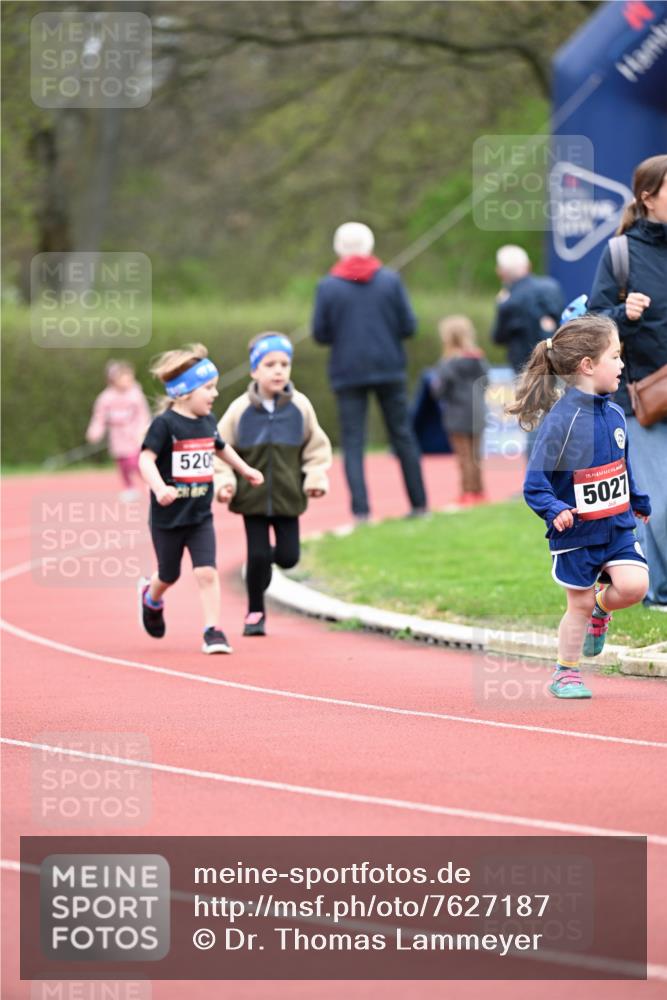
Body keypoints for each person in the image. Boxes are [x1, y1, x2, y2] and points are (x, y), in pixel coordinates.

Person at [507, 315, 651, 699]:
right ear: (588, 365)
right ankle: (565, 672)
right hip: (577, 534)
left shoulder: (615, 413)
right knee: (579, 604)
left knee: (635, 586)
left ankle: (603, 611)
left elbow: (622, 465)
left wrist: (637, 499)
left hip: (616, 526)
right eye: (615, 356)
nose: (622, 364)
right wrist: (554, 509)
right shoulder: (560, 422)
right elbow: (534, 484)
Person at [138, 343, 263, 654]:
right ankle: (151, 598)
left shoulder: (207, 421)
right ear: (183, 393)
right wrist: (159, 488)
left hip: (199, 516)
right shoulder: (165, 424)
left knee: (206, 572)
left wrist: (245, 469)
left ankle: (213, 630)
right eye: (208, 388)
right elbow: (145, 459)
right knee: (169, 574)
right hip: (168, 518)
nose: (215, 394)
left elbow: (220, 447)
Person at [588, 153, 667, 610]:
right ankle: (656, 591)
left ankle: (654, 587)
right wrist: (624, 313)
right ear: (648, 198)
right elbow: (594, 321)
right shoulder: (620, 252)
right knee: (660, 502)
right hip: (643, 396)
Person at [214, 333, 332, 637]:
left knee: (289, 558)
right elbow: (219, 449)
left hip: (288, 497)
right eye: (270, 365)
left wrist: (315, 478)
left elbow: (316, 448)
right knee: (256, 556)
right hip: (251, 499)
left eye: (284, 364)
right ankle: (255, 611)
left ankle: (265, 561)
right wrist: (224, 482)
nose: (278, 370)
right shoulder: (240, 409)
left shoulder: (300, 407)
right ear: (254, 370)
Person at [312, 221, 427, 521]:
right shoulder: (390, 281)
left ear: (338, 248)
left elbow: (320, 334)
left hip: (347, 370)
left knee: (353, 442)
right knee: (402, 436)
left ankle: (361, 512)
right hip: (389, 367)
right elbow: (409, 326)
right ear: (370, 245)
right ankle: (419, 505)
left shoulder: (328, 286)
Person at [431, 315, 489, 505]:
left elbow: (439, 390)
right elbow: (487, 383)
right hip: (477, 412)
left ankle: (467, 492)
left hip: (456, 413)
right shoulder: (479, 359)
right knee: (476, 455)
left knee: (464, 456)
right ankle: (479, 491)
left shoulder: (447, 363)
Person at [491, 245, 564, 374]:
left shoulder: (509, 301)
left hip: (525, 371)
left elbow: (498, 337)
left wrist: (501, 304)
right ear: (528, 265)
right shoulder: (552, 287)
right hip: (558, 364)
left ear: (501, 272)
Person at [86, 360, 150, 501]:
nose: (127, 381)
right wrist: (95, 431)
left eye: (129, 378)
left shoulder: (136, 394)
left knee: (135, 462)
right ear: (113, 380)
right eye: (123, 378)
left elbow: (143, 414)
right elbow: (99, 417)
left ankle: (151, 483)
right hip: (117, 437)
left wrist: (142, 430)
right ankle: (129, 488)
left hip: (135, 435)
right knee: (122, 464)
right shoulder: (105, 398)